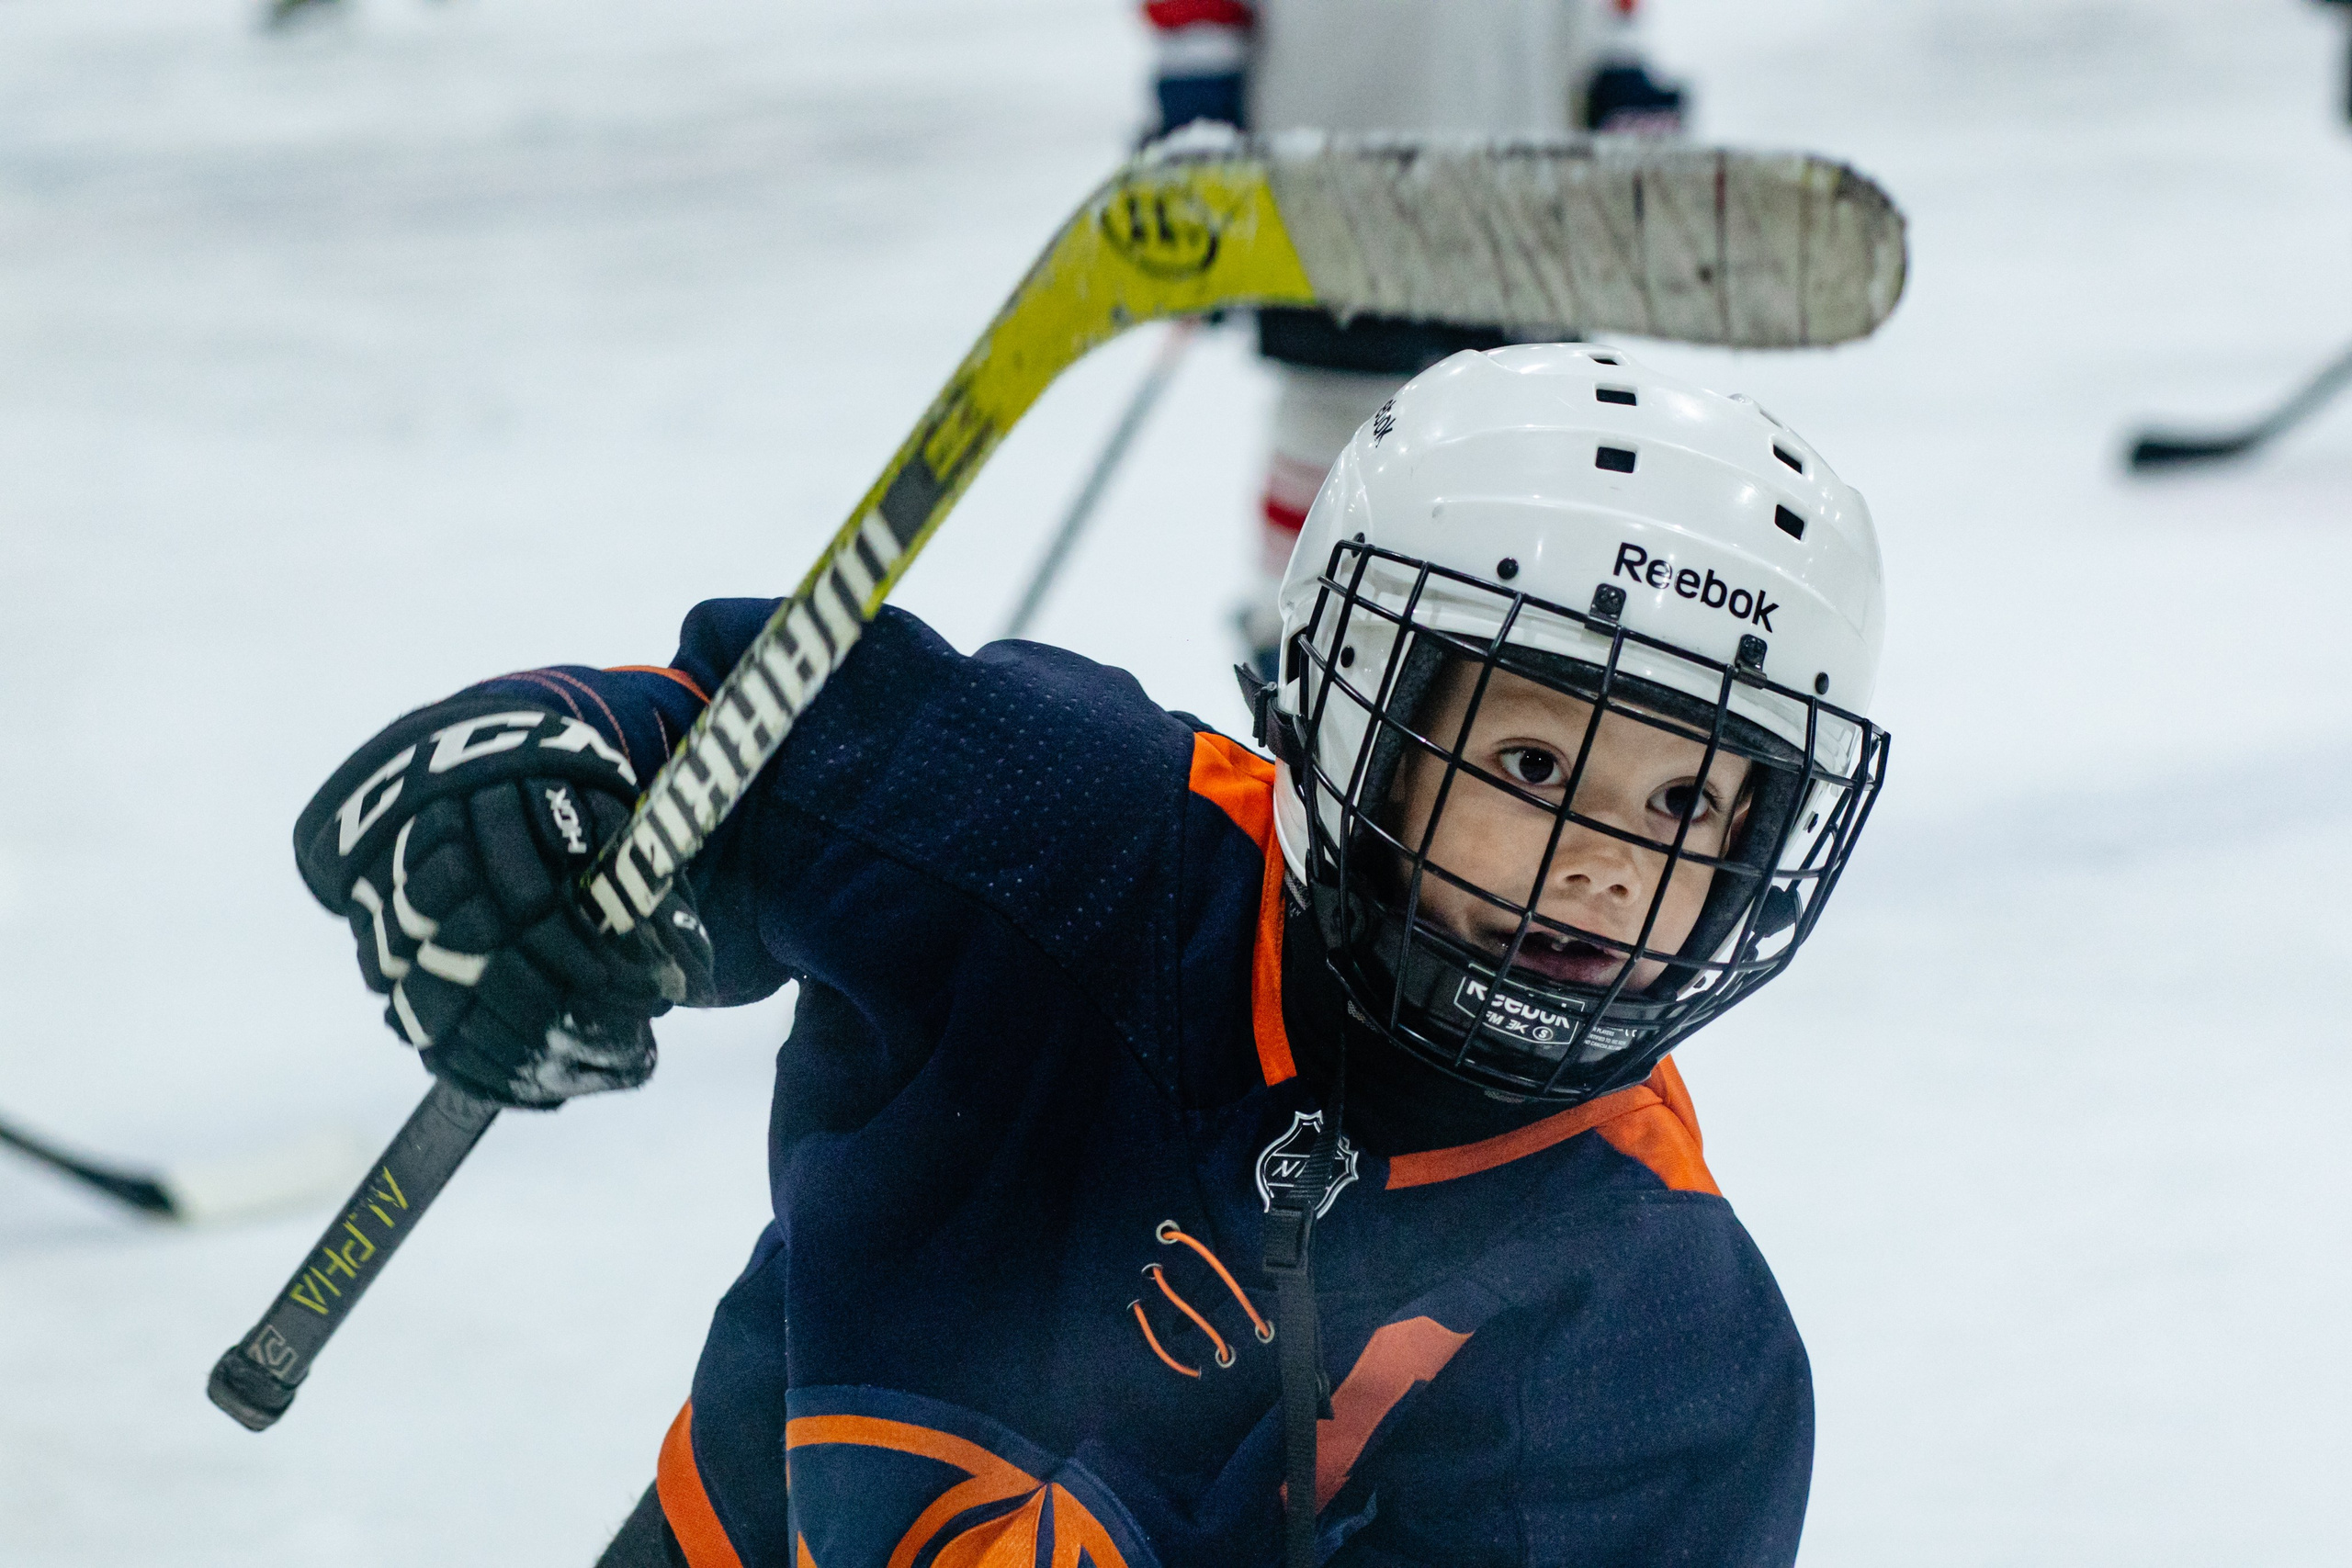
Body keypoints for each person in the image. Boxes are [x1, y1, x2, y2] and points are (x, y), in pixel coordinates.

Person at [294, 343, 1890, 1567]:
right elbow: (728, 753)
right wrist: (523, 812)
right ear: (1362, 714)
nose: (1613, 863)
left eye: (1690, 800)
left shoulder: (1660, 1335)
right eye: (1535, 768)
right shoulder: (1088, 827)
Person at [1140, 0, 1690, 674]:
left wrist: (1619, 74)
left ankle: (1519, 640)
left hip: (1527, 174)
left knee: (1527, 419)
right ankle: (1299, 626)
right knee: (1337, 418)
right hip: (1333, 171)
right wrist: (1200, 103)